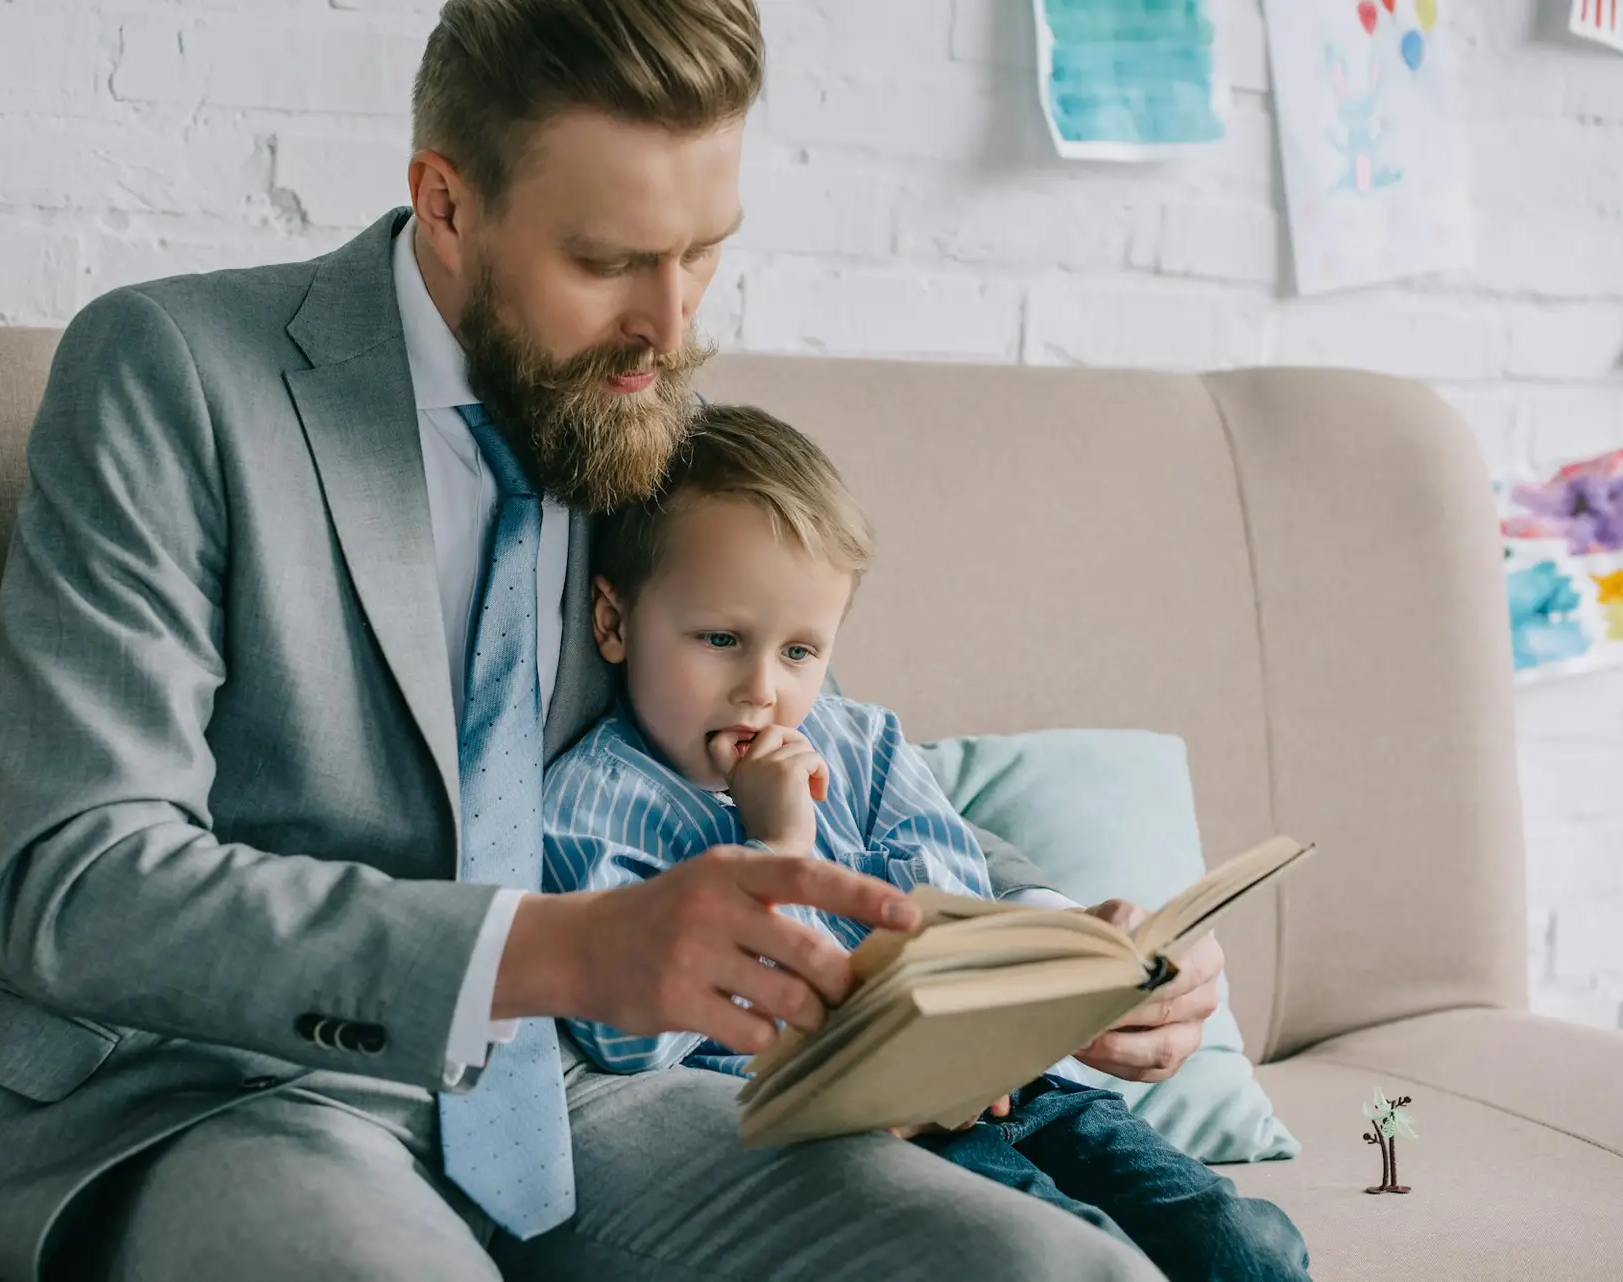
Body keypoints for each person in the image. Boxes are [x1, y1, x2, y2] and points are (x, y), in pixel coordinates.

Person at [0, 3, 1221, 1279]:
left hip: (581, 1090)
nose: (672, 325)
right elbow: (80, 882)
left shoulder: (636, 395)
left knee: (1048, 1270)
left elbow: (798, 732)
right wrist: (559, 948)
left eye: (706, 252)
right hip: (213, 1084)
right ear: (444, 201)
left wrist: (1059, 948)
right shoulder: (173, 373)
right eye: (609, 260)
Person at [543, 404, 1312, 1282]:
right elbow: (627, 1040)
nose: (761, 690)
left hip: (1018, 1093)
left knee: (1244, 1244)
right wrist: (778, 843)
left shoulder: (861, 745)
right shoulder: (586, 808)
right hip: (872, 1136)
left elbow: (951, 899)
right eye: (720, 640)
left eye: (800, 651)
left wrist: (1029, 1000)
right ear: (614, 622)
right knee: (1090, 1253)